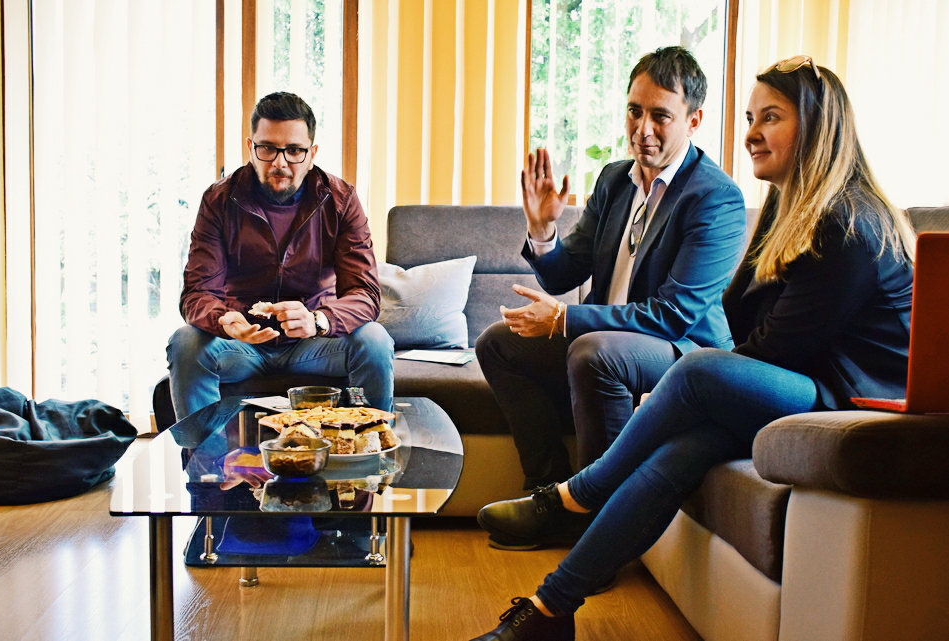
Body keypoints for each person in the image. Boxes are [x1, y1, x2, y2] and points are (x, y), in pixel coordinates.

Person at [470, 56, 916, 641]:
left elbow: (769, 348)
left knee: (697, 372)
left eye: (770, 118)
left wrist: (711, 381)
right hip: (806, 383)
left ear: (816, 125)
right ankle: (551, 609)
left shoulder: (846, 222)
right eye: (751, 118)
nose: (751, 133)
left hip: (853, 401)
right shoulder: (787, 208)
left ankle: (580, 493)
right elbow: (744, 317)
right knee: (675, 456)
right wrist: (542, 231)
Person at [476, 47, 746, 509]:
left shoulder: (715, 198)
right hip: (607, 342)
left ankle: (596, 511)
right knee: (497, 343)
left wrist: (564, 319)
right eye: (634, 111)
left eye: (660, 116)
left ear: (694, 121)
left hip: (685, 352)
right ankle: (548, 491)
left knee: (594, 352)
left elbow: (673, 315)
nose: (643, 129)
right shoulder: (615, 180)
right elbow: (564, 273)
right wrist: (542, 230)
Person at [167, 92, 394, 420]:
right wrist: (223, 321)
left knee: (374, 339)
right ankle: (203, 452)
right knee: (186, 341)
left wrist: (318, 320)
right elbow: (197, 292)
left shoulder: (341, 200)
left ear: (311, 154)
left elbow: (365, 294)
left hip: (315, 345)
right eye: (268, 148)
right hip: (241, 345)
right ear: (251, 148)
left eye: (294, 150)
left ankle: (368, 444)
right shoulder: (219, 200)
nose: (280, 162)